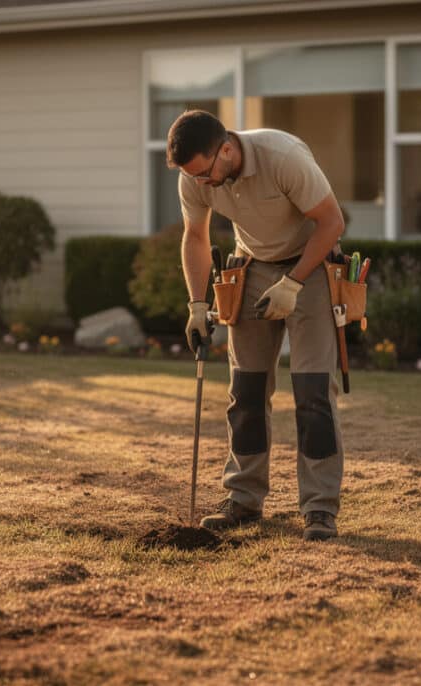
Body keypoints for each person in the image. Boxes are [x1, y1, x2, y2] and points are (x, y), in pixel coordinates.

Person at [167, 110, 346, 542]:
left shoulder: (282, 156)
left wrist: (293, 283)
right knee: (245, 390)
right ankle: (243, 500)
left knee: (313, 391)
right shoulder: (195, 176)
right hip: (250, 267)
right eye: (195, 177)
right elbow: (196, 237)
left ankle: (319, 508)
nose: (203, 183)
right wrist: (196, 304)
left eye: (207, 174)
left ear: (226, 149)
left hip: (312, 266)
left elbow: (332, 222)